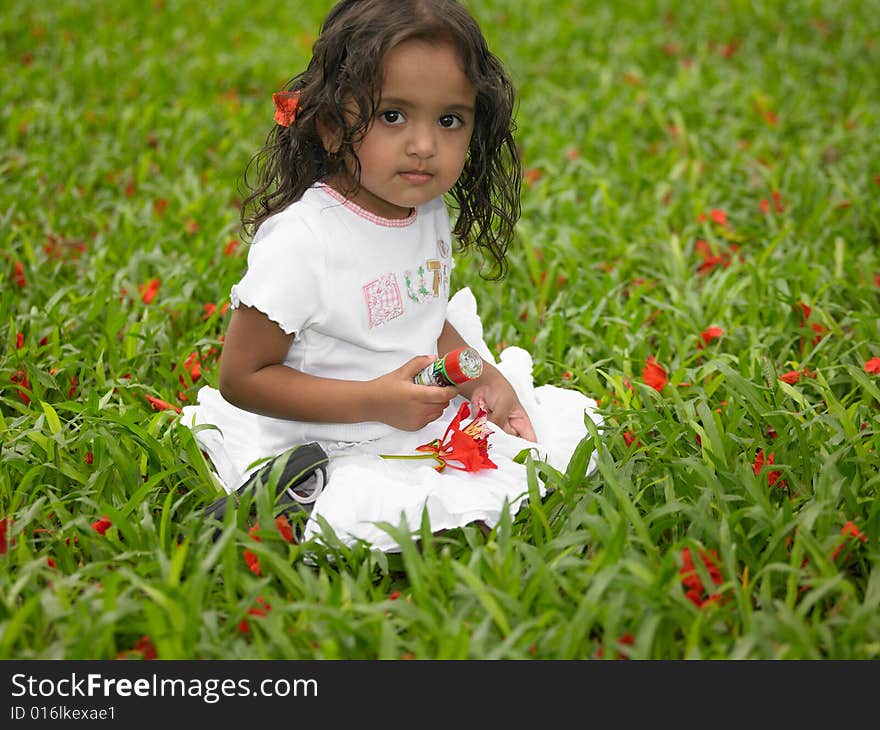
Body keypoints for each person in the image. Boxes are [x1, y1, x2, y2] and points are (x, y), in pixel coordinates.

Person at [181, 0, 602, 552]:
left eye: (449, 120)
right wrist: (376, 401)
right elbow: (242, 377)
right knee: (387, 516)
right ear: (332, 127)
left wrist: (481, 376)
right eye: (392, 116)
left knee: (544, 447)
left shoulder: (424, 209)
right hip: (324, 437)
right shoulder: (305, 240)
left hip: (409, 417)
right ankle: (304, 494)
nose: (425, 146)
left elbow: (419, 314)